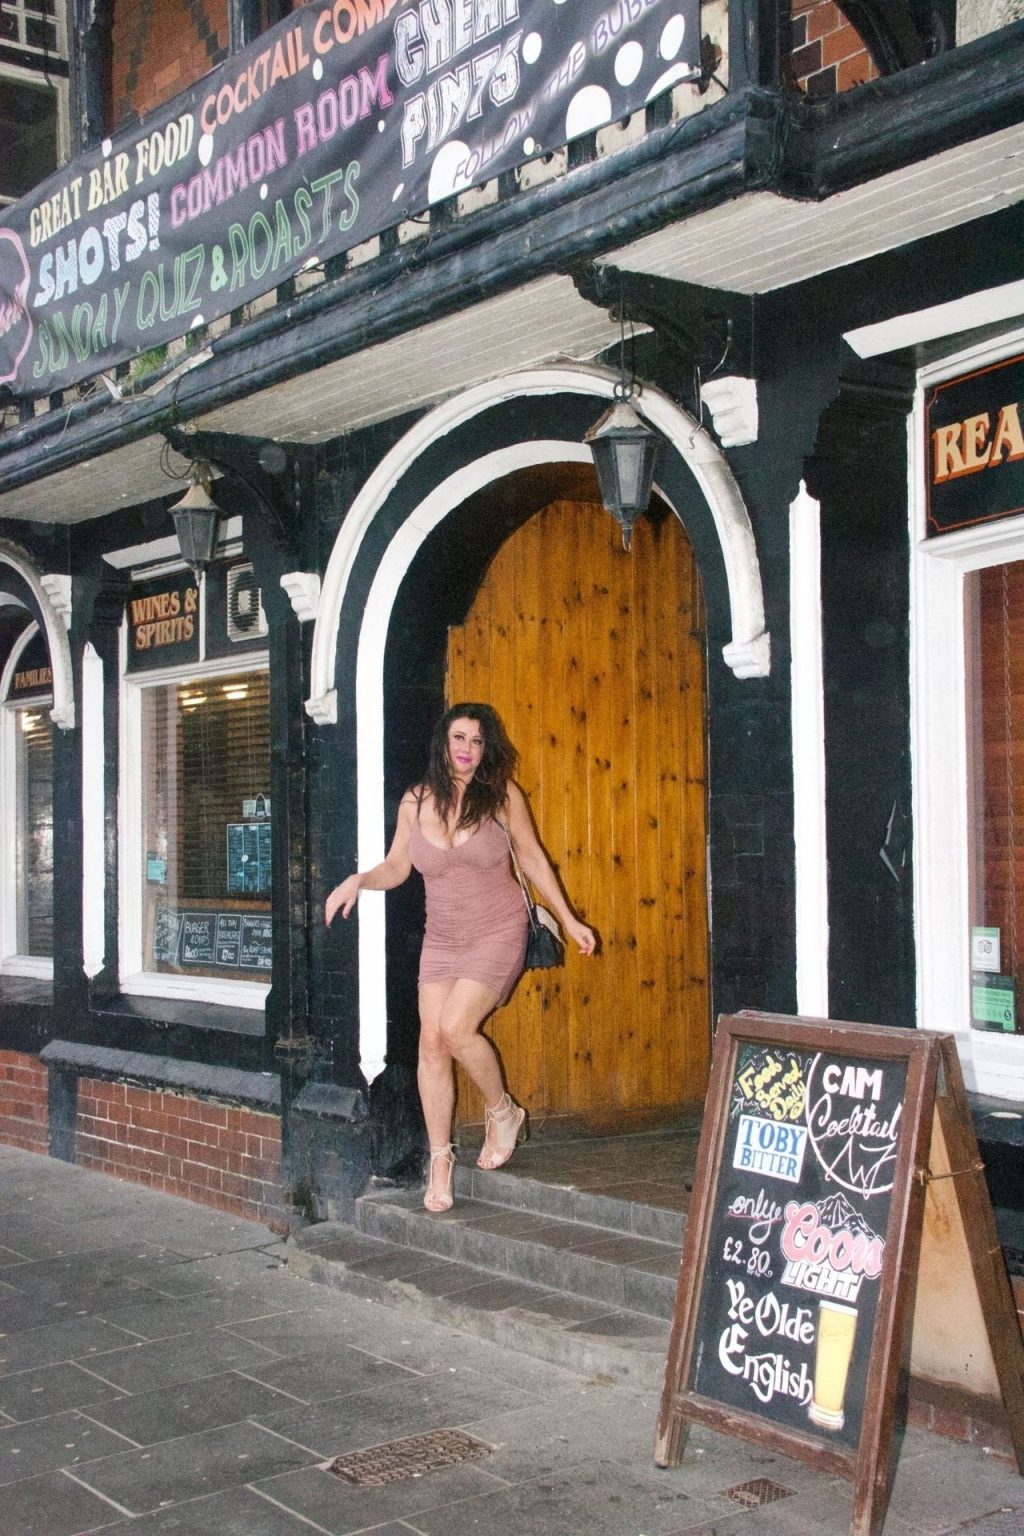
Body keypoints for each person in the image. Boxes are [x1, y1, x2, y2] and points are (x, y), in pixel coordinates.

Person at [325, 703, 597, 1213]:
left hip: (498, 929)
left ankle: (503, 1112)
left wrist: (570, 917)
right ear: (443, 743)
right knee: (430, 1043)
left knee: (454, 1027)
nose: (467, 748)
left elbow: (532, 857)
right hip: (443, 938)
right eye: (459, 738)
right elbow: (398, 867)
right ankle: (440, 1158)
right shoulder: (416, 801)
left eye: (476, 740)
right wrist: (358, 880)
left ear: (486, 747)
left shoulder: (501, 795)